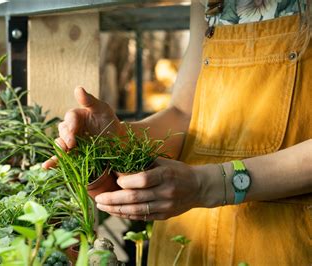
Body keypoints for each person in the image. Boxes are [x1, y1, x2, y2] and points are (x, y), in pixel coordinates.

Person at [43, 0, 312, 264]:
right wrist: (118, 136)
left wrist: (207, 185)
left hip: (280, 237)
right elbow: (184, 113)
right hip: (190, 234)